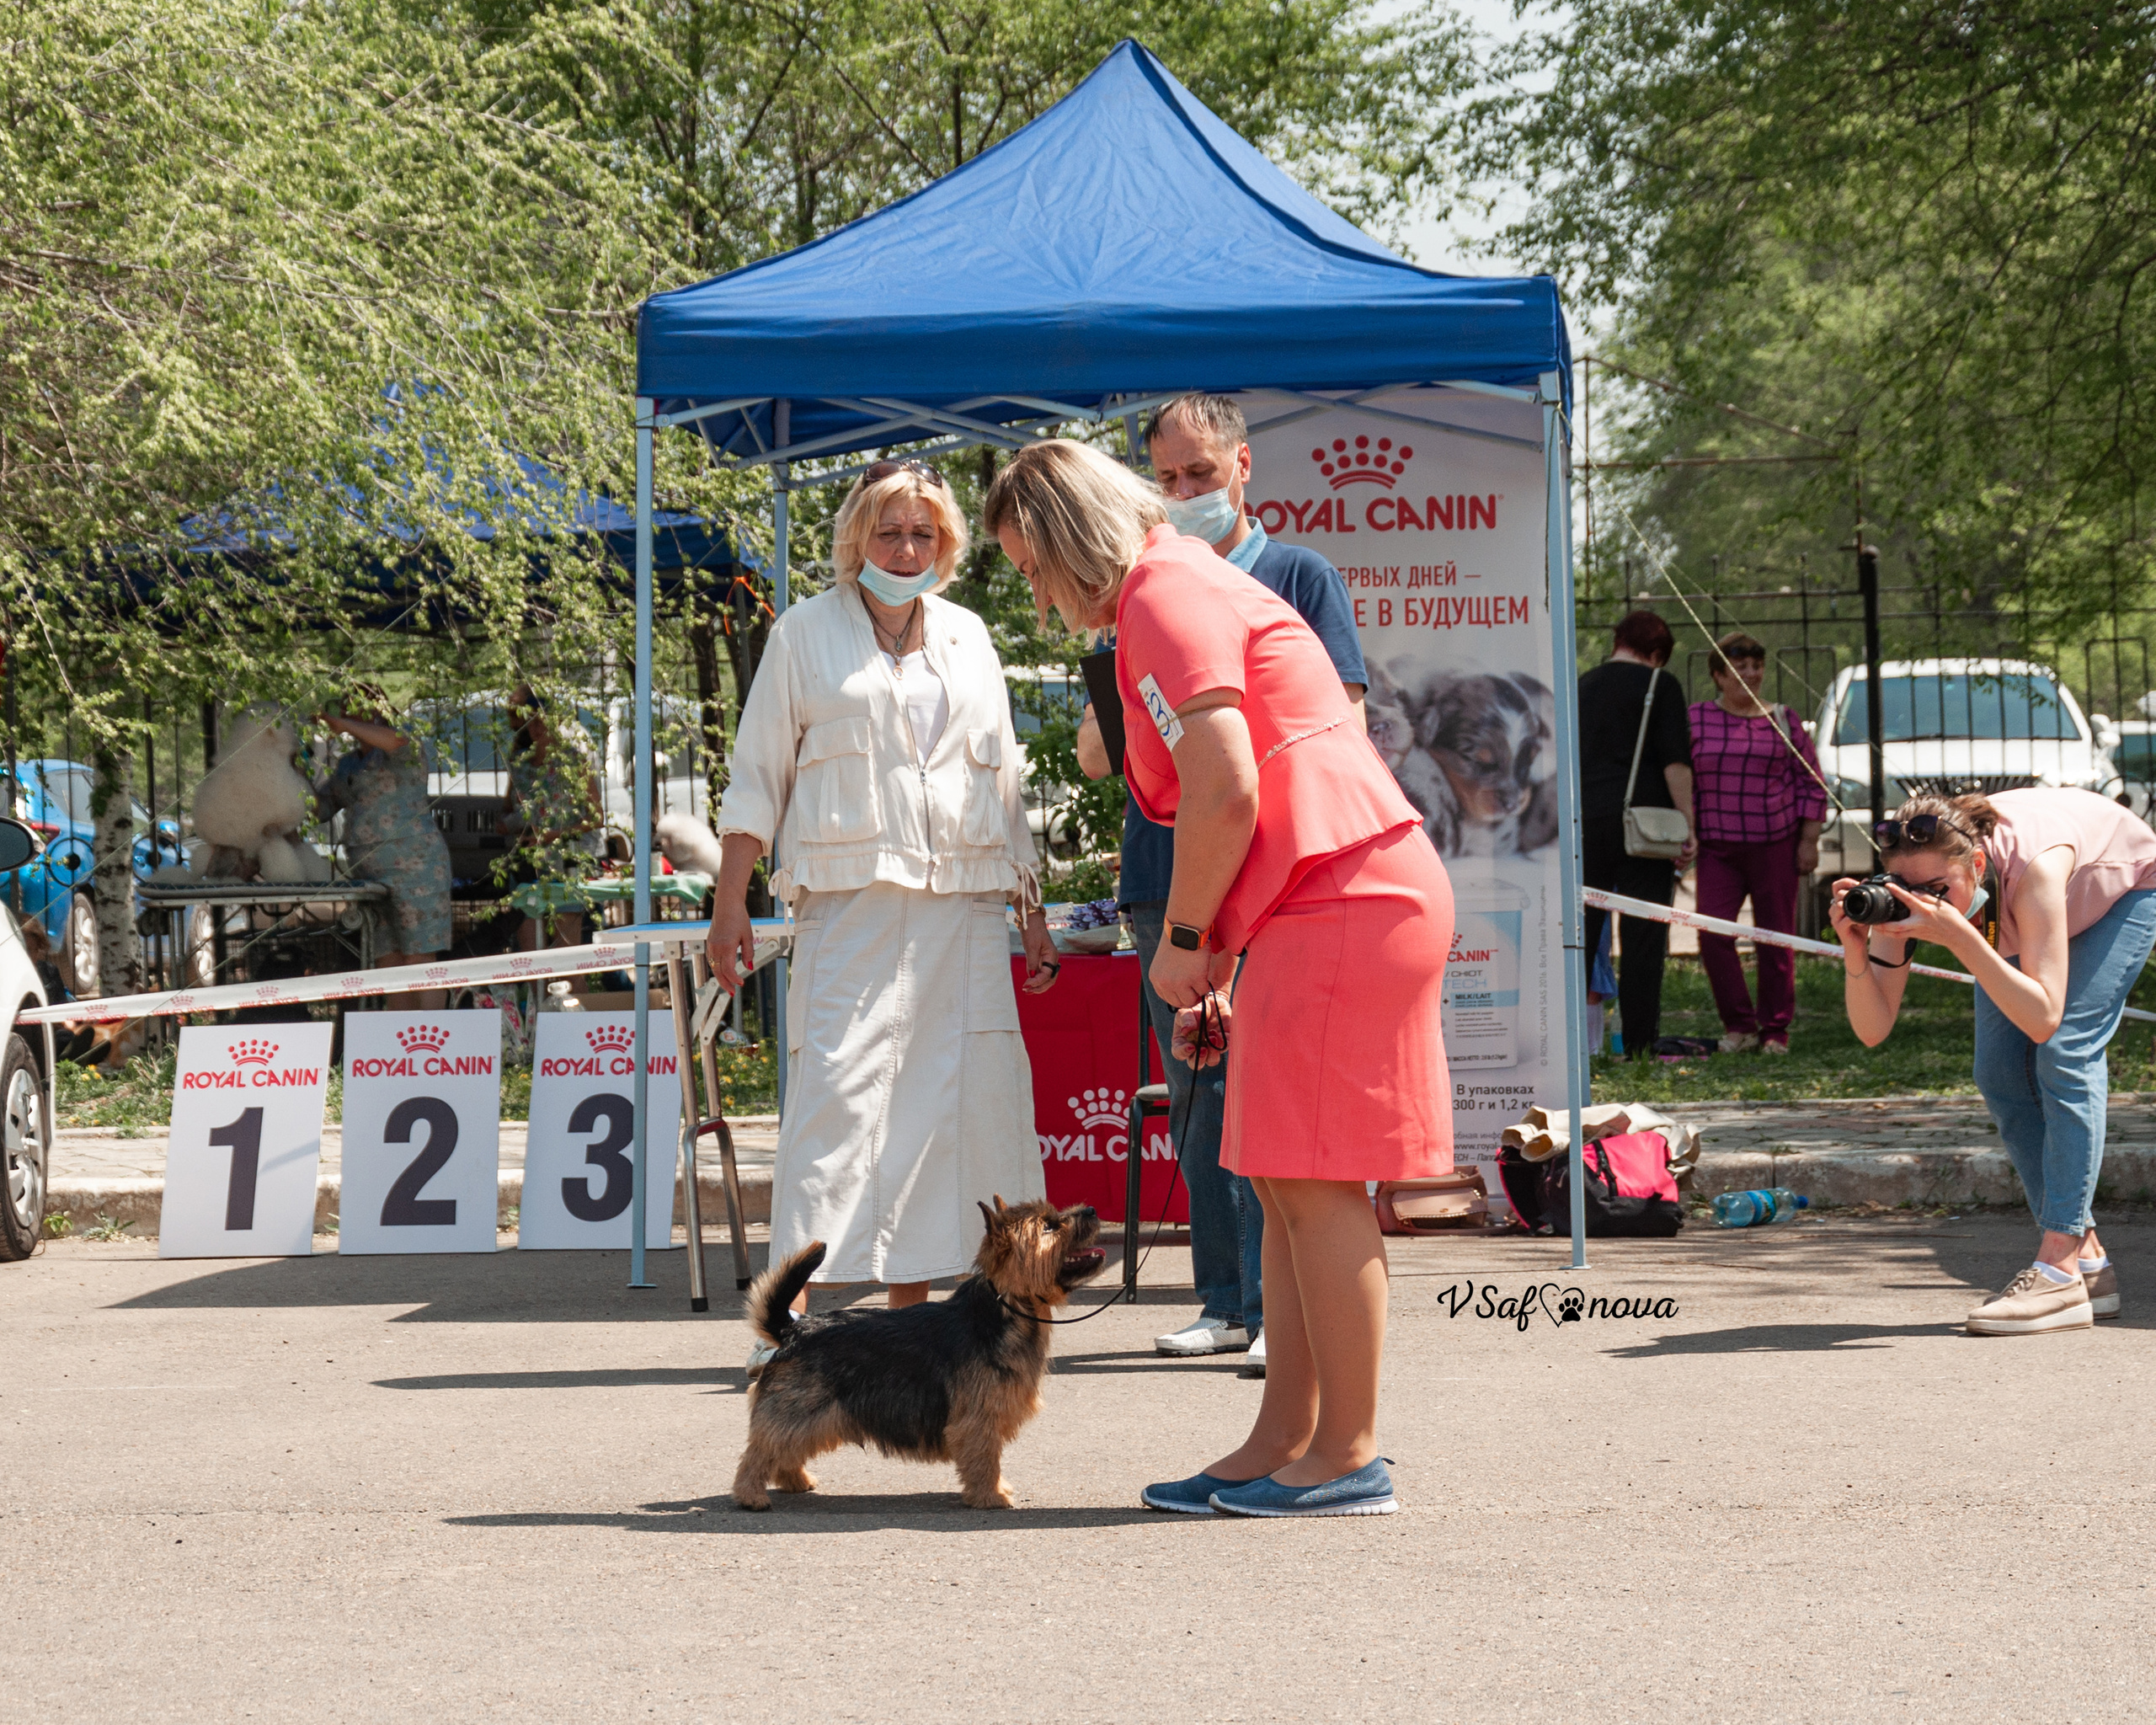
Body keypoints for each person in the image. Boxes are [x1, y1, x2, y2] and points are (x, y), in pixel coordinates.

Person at [987, 437, 1450, 1519]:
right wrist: (1226, 956)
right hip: (1326, 897)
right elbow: (1242, 786)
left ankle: (1344, 1454)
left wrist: (1187, 939)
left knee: (1313, 1182)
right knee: (1284, 1179)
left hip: (1344, 897)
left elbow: (1229, 785)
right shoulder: (1171, 590)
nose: (1034, 591)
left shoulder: (1164, 596)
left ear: (1065, 539)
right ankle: (1284, 1440)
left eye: (1027, 564)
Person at [705, 459, 1059, 1355]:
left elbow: (1007, 782)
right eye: (891, 531)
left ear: (947, 545)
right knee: (835, 1109)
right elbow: (756, 780)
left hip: (963, 912)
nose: (907, 549)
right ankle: (782, 1330)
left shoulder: (971, 635)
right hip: (849, 907)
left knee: (950, 1120)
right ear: (856, 537)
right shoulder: (801, 635)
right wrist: (730, 903)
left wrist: (1032, 912)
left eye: (924, 534)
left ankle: (914, 1325)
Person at [1073, 393, 1368, 1370]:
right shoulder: (1133, 591)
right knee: (1200, 1097)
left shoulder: (1293, 574)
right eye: (1165, 478)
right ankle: (1225, 1297)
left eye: (1200, 474)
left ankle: (1286, 1309)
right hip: (1168, 876)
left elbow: (1336, 720)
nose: (1185, 492)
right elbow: (1097, 756)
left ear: (1244, 466)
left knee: (1274, 1109)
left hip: (1269, 883)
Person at [1833, 788, 2156, 1334]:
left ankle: (2058, 1271)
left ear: (1976, 864)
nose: (1922, 903)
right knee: (2000, 1074)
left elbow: (2045, 1018)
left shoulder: (2036, 871)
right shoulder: (1927, 894)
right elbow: (1873, 1028)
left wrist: (1962, 939)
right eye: (1907, 889)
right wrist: (1854, 949)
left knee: (2065, 1053)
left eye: (1938, 890)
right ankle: (2090, 1264)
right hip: (2006, 908)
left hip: (2122, 892)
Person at [1688, 632, 1826, 1054]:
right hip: (1717, 847)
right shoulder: (1695, 719)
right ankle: (1739, 1026)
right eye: (1739, 668)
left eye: (1756, 666)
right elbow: (1680, 776)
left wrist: (1808, 840)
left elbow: (1812, 783)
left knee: (1776, 939)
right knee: (1712, 934)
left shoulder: (1784, 719)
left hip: (1775, 844)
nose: (1750, 674)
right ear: (1718, 675)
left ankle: (1774, 1031)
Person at [1577, 611, 1695, 1059]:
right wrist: (1688, 823)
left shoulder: (1582, 684)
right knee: (1645, 935)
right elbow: (1675, 762)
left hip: (1587, 822)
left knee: (1583, 933)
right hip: (1645, 826)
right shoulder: (1659, 686)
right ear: (1658, 654)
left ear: (1617, 642)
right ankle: (1640, 1044)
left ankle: (1574, 1044)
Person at [316, 690, 453, 1009]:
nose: (350, 716)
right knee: (388, 962)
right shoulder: (348, 764)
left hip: (416, 869)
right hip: (370, 877)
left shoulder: (404, 745)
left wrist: (344, 724)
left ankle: (433, 1036)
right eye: (346, 710)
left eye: (357, 710)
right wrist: (293, 770)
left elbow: (394, 741)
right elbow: (321, 809)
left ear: (379, 710)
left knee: (418, 959)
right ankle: (400, 1045)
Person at [503, 684, 606, 957]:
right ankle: (536, 999)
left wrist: (555, 834)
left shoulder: (573, 759)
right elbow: (510, 810)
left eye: (538, 721)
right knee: (531, 955)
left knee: (566, 955)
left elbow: (597, 818)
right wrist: (514, 825)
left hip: (569, 865)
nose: (531, 728)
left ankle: (574, 998)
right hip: (529, 867)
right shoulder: (520, 763)